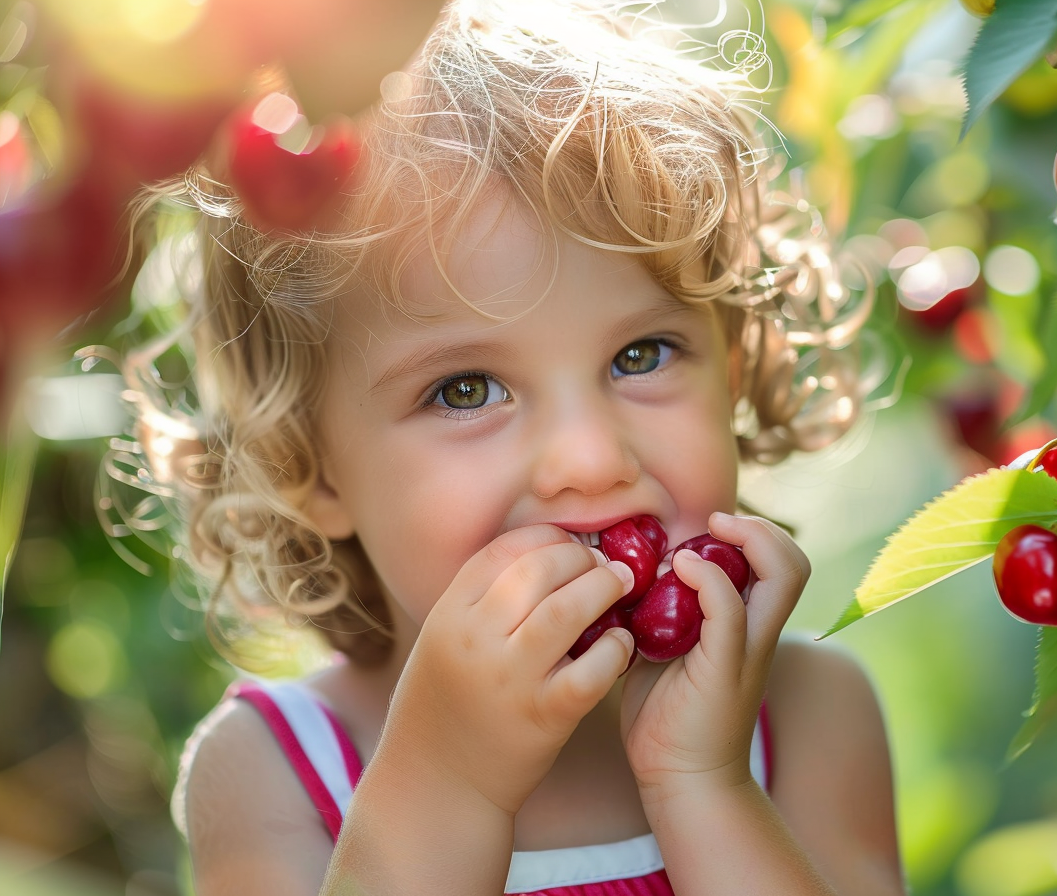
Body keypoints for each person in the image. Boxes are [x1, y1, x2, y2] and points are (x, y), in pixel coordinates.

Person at [122, 0, 902, 892]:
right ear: (308, 463)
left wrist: (702, 784)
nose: (591, 459)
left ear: (735, 360)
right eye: (465, 391)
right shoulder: (274, 770)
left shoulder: (805, 715)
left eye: (640, 355)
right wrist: (448, 783)